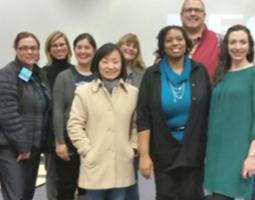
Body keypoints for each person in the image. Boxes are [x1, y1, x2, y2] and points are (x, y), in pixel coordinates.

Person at [137, 25, 211, 200]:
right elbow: (143, 117)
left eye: (179, 39)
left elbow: (209, 114)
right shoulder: (151, 74)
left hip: (194, 150)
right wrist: (145, 155)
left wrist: (210, 151)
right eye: (169, 40)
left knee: (192, 195)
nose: (175, 43)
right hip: (162, 150)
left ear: (186, 43)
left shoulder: (199, 71)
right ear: (162, 46)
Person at [67, 43, 138, 200]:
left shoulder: (132, 93)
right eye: (105, 61)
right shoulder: (83, 92)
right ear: (97, 64)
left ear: (122, 65)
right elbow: (74, 125)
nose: (110, 66)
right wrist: (87, 150)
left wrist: (132, 148)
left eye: (115, 61)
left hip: (122, 163)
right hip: (95, 162)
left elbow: (136, 125)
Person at [204, 25, 255, 200]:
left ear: (250, 46)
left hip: (239, 155)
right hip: (216, 154)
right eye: (233, 42)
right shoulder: (221, 75)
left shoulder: (253, 74)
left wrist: (252, 156)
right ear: (226, 46)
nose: (238, 47)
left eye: (243, 42)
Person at [0, 32, 50, 200]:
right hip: (12, 149)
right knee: (16, 195)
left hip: (32, 147)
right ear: (16, 50)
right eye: (24, 48)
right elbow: (8, 114)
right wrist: (23, 146)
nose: (29, 52)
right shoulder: (7, 74)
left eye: (33, 48)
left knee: (27, 194)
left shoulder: (38, 74)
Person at [53, 33, 97, 200]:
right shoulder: (64, 77)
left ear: (94, 50)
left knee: (89, 187)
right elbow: (57, 111)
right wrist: (59, 142)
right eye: (79, 47)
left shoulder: (100, 76)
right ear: (74, 50)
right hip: (68, 140)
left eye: (87, 47)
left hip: (93, 140)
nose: (83, 51)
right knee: (66, 186)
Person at [43, 31, 73, 200]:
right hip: (50, 134)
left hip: (73, 133)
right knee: (53, 177)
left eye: (62, 44)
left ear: (68, 47)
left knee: (72, 179)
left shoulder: (75, 71)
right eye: (54, 45)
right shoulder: (40, 72)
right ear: (49, 50)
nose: (59, 48)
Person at [117, 33, 145, 200]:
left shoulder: (142, 73)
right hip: (111, 133)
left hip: (133, 135)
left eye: (134, 46)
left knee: (131, 179)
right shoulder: (108, 69)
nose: (130, 49)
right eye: (126, 45)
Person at [180, 0, 221, 76]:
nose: (193, 13)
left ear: (204, 15)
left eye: (197, 10)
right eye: (188, 10)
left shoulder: (219, 41)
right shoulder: (170, 41)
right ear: (181, 15)